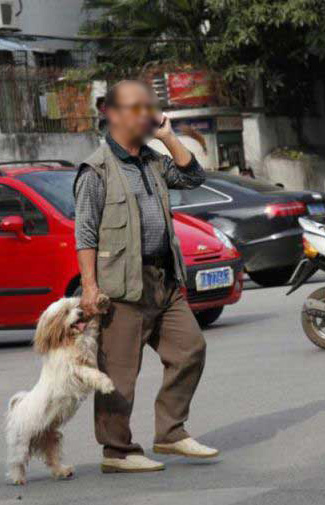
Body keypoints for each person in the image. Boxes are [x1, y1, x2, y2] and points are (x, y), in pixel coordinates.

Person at [74, 80, 219, 474]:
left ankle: (170, 432)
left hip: (163, 279)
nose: (146, 114)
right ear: (114, 114)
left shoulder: (154, 161)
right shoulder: (97, 170)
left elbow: (193, 178)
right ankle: (117, 452)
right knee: (119, 374)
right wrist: (89, 286)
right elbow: (84, 232)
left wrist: (169, 137)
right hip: (122, 284)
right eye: (137, 108)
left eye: (148, 107)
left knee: (190, 348)